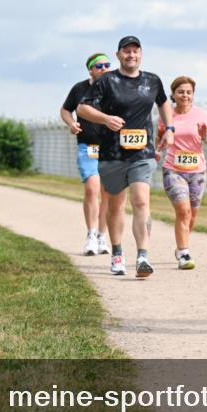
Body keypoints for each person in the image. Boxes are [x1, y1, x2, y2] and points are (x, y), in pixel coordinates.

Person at [77, 35, 174, 277]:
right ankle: (117, 254)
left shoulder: (152, 80)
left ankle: (143, 257)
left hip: (142, 153)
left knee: (141, 201)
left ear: (141, 54)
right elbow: (82, 108)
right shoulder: (107, 81)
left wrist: (170, 128)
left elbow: (163, 103)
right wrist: (105, 119)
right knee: (116, 205)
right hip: (112, 154)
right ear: (119, 55)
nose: (131, 55)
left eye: (135, 50)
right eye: (126, 51)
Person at [154, 76, 207, 270]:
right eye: (181, 92)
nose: (185, 95)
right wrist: (157, 151)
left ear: (193, 95)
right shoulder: (167, 116)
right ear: (173, 94)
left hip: (197, 171)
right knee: (183, 211)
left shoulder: (201, 114)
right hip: (173, 169)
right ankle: (184, 252)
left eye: (189, 92)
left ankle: (182, 246)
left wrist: (206, 136)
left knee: (192, 214)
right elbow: (160, 138)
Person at [61, 54, 113, 256]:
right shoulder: (79, 89)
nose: (104, 68)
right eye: (99, 66)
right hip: (88, 147)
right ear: (90, 70)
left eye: (107, 65)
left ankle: (102, 235)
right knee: (92, 189)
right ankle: (91, 235)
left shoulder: (115, 88)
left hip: (110, 148)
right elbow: (65, 110)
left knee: (108, 193)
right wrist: (72, 123)